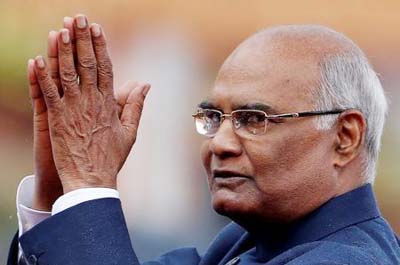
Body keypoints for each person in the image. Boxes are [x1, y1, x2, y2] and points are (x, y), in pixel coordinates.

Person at [7, 14, 400, 265]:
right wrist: (58, 193)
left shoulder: (349, 259)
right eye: (214, 117)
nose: (220, 144)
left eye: (253, 119)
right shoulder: (238, 246)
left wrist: (90, 186)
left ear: (345, 137)